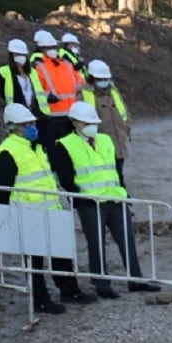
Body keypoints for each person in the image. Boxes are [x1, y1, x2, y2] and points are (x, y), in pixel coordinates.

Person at [0, 102, 84, 315]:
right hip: (27, 214)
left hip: (50, 210)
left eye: (32, 123)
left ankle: (69, 290)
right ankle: (40, 300)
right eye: (26, 124)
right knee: (34, 262)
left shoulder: (37, 147)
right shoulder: (8, 151)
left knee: (61, 253)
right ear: (13, 127)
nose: (32, 127)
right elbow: (1, 188)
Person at [47, 100, 144, 299]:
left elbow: (115, 170)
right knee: (96, 244)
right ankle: (102, 284)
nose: (92, 126)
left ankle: (136, 280)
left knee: (127, 239)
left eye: (94, 123)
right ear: (74, 122)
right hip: (89, 202)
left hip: (115, 198)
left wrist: (123, 191)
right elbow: (65, 178)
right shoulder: (64, 145)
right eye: (86, 123)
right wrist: (80, 198)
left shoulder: (105, 140)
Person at [27, 28, 79, 144]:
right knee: (53, 151)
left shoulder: (65, 64)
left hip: (70, 116)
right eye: (48, 48)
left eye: (54, 47)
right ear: (40, 48)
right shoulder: (37, 65)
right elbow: (34, 88)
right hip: (50, 116)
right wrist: (47, 96)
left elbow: (78, 83)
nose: (52, 50)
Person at [82, 60, 132, 182]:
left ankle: (121, 190)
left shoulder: (113, 92)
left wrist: (127, 129)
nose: (104, 82)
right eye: (100, 79)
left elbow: (124, 111)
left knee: (118, 168)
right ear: (92, 78)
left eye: (106, 79)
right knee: (106, 169)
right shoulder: (85, 94)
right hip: (100, 139)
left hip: (119, 137)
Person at [0, 37, 30, 108]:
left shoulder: (33, 73)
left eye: (23, 54)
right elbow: (2, 93)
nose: (21, 57)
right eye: (18, 54)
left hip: (34, 112)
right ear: (12, 55)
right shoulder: (4, 72)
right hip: (16, 111)